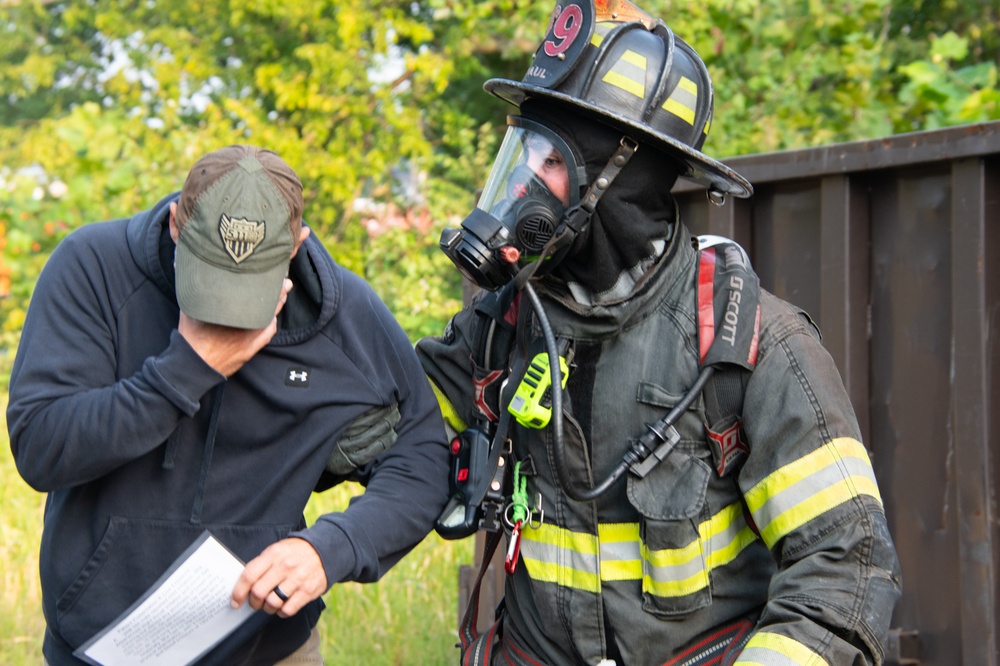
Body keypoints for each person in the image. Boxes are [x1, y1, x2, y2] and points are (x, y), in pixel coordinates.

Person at [416, 1, 902, 664]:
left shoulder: (754, 346)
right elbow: (388, 427)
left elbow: (846, 571)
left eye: (548, 159)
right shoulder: (502, 325)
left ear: (616, 180)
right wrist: (315, 303)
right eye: (518, 151)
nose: (522, 181)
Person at [6, 144, 451, 665]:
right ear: (176, 224)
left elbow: (421, 457)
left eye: (248, 291)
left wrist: (328, 549)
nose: (228, 316)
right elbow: (40, 445)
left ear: (296, 245)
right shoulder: (94, 268)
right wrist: (188, 368)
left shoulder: (344, 318)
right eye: (212, 284)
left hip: (268, 649)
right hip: (99, 649)